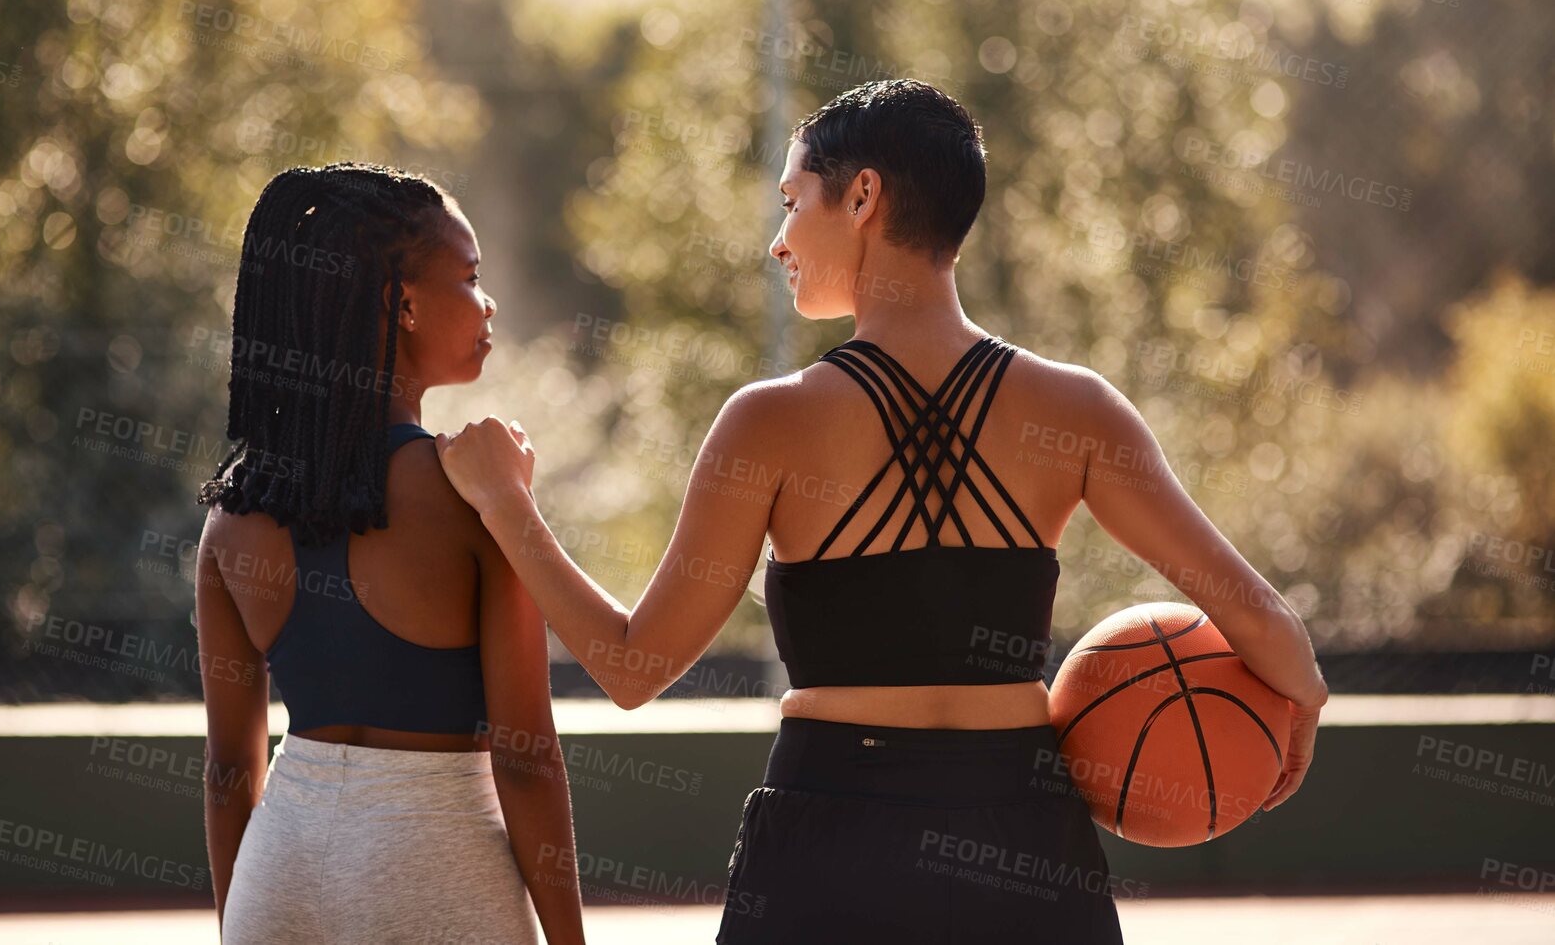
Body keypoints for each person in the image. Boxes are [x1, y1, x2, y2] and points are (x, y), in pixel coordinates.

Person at [435, 79, 1329, 943]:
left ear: (862, 195)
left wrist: (506, 503)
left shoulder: (768, 420)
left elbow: (632, 668)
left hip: (834, 837)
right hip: (1023, 839)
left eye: (792, 202)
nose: (778, 241)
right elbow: (1265, 622)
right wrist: (1291, 723)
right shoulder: (1079, 409)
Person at [193, 163, 585, 944]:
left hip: (279, 871)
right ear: (403, 303)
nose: (488, 301)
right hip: (434, 865)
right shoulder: (474, 497)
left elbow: (229, 771)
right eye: (470, 278)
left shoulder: (233, 513)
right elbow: (526, 757)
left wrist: (242, 920)